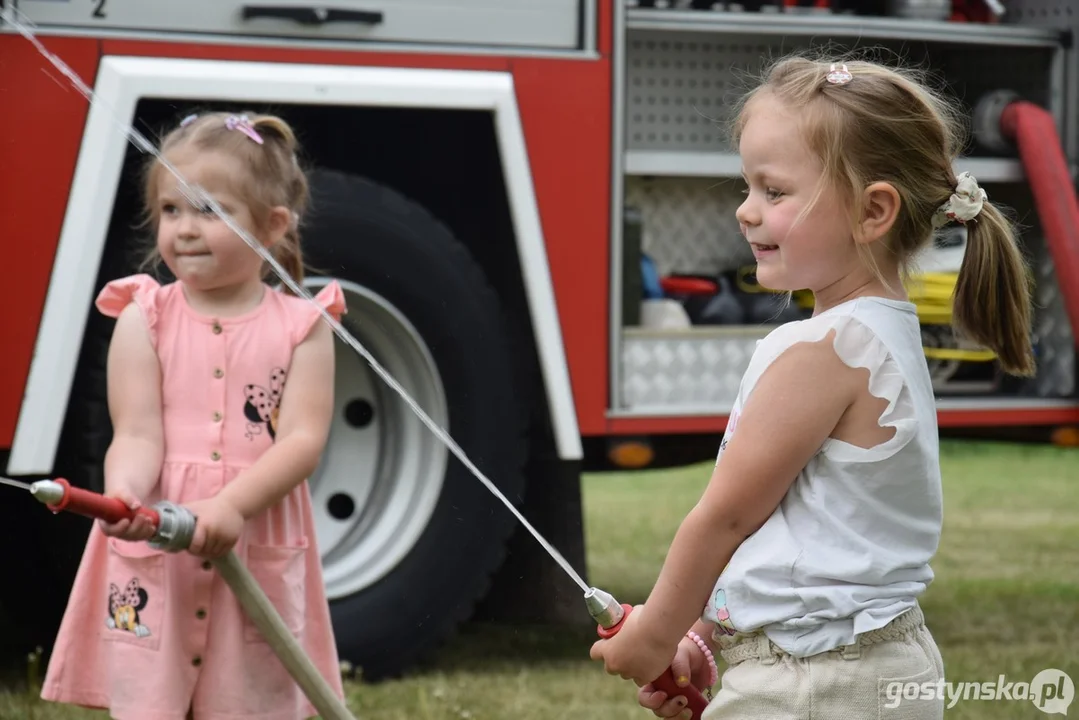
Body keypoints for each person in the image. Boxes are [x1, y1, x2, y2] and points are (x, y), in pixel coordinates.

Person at [590, 53, 1034, 719]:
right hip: (875, 664)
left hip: (813, 685)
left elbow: (728, 516)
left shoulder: (822, 350)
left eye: (773, 192)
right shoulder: (881, 334)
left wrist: (654, 633)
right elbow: (800, 527)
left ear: (871, 211)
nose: (745, 212)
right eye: (746, 188)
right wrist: (705, 643)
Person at [40, 111, 347, 720]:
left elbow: (303, 440)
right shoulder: (142, 316)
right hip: (163, 536)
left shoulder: (304, 327)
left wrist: (232, 505)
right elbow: (136, 432)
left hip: (252, 529)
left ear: (273, 224)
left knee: (250, 695)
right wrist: (126, 494)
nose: (183, 229)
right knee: (152, 694)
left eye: (209, 210)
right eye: (170, 210)